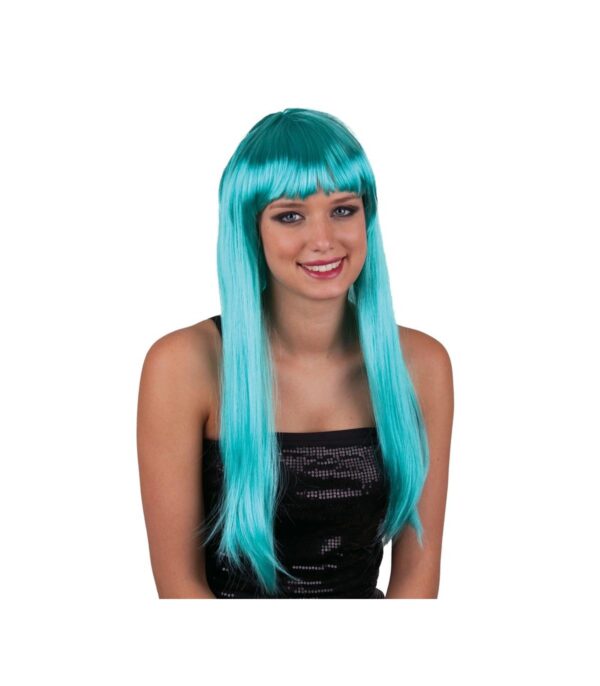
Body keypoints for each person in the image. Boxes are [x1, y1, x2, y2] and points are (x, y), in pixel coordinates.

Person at [136, 107, 454, 599]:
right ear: (251, 229)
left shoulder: (421, 365)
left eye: (343, 210)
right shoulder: (183, 365)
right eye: (290, 216)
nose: (323, 240)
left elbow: (417, 577)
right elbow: (180, 587)